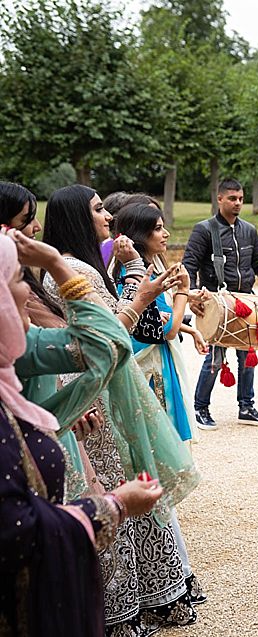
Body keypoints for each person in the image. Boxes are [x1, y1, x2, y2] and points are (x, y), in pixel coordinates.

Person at [41, 187, 207, 634]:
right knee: (117, 485)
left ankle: (147, 594)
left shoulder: (80, 264)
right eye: (98, 210)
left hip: (104, 385)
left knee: (131, 483)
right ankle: (119, 607)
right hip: (97, 393)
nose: (106, 218)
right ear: (78, 217)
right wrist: (140, 281)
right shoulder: (71, 269)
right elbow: (113, 333)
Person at [0, 228, 170, 637]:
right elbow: (17, 530)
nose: (30, 293)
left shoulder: (18, 353)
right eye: (17, 279)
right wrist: (114, 507)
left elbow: (107, 348)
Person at [183, 179, 258, 429]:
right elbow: (189, 265)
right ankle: (200, 409)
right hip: (216, 303)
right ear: (220, 199)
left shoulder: (250, 230)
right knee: (214, 358)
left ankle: (246, 407)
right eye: (232, 199)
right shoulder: (204, 230)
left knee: (247, 357)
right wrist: (191, 295)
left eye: (241, 199)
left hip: (246, 301)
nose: (238, 203)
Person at [111, 205, 205, 445]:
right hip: (150, 369)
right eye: (158, 229)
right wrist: (183, 291)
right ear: (141, 234)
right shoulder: (144, 277)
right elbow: (168, 329)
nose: (166, 234)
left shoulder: (127, 271)